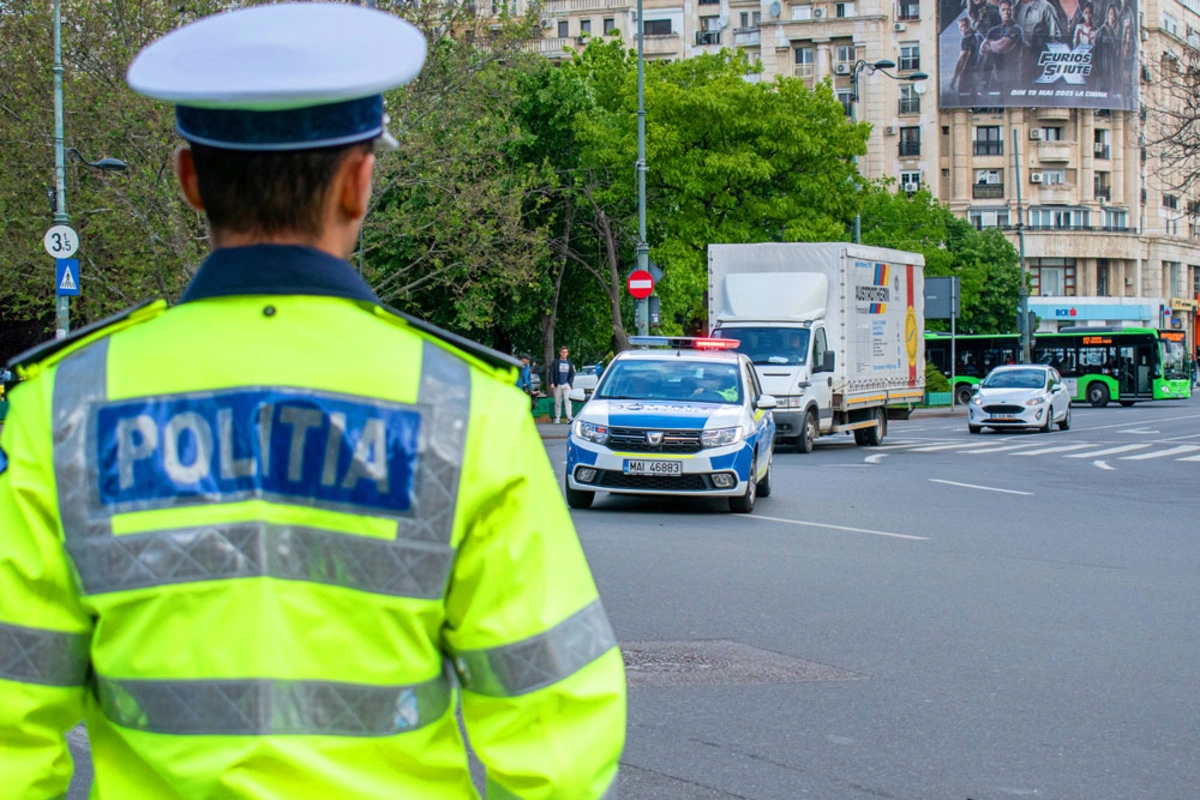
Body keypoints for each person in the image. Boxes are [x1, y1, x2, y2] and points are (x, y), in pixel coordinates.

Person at [0, 5, 624, 799]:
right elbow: (557, 737)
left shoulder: (65, 408)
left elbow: (9, 728)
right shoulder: (466, 408)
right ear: (359, 183)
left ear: (189, 181)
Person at [980, 0, 1025, 94]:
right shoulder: (994, 30)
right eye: (1003, 9)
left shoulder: (1016, 29)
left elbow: (1002, 47)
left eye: (1009, 9)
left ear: (1013, 11)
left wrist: (991, 43)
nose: (1006, 12)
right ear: (999, 11)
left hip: (1012, 77)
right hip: (995, 75)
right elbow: (983, 49)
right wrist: (995, 44)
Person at [951, 16, 984, 100]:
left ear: (969, 25)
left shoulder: (966, 39)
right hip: (979, 74)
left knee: (964, 102)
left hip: (967, 74)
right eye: (960, 26)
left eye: (963, 26)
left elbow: (962, 61)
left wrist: (954, 79)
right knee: (975, 102)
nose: (961, 29)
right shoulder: (979, 37)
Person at [550, 345, 576, 424]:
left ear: (567, 353)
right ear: (560, 353)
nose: (564, 354)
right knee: (557, 401)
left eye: (566, 352)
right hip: (558, 384)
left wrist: (570, 383)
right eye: (563, 352)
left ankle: (569, 417)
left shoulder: (570, 363)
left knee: (567, 400)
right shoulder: (556, 362)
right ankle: (558, 417)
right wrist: (551, 382)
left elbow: (572, 373)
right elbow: (551, 373)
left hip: (566, 384)